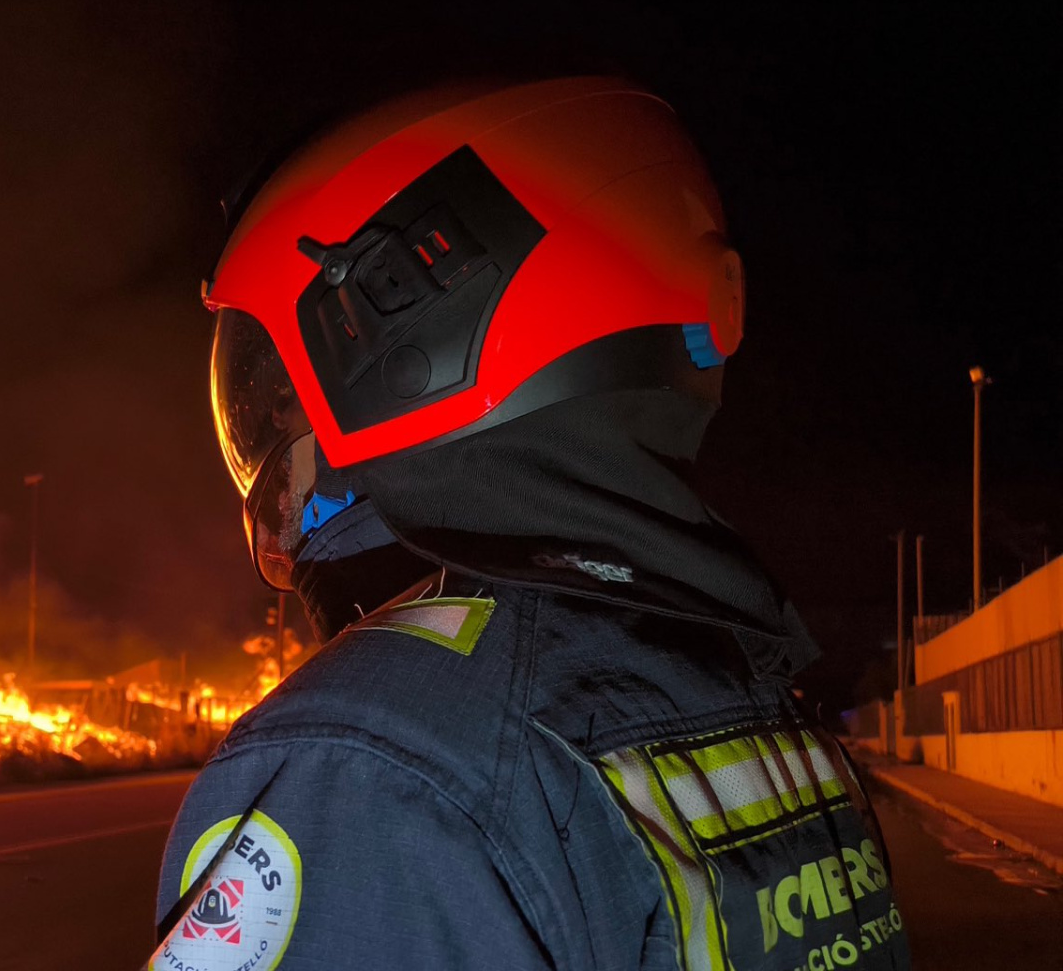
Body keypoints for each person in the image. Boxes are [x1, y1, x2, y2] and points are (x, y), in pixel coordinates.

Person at [148, 78, 909, 971]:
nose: (278, 432)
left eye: (286, 392)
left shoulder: (372, 768)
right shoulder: (758, 704)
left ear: (411, 338)